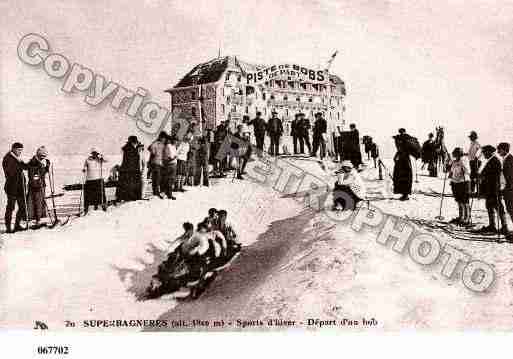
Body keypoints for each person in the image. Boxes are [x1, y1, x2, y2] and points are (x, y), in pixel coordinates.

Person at [476, 145, 508, 234]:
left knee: (498, 208)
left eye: (484, 152)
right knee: (489, 206)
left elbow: (496, 176)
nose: (483, 154)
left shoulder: (495, 161)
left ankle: (504, 227)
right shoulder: (491, 160)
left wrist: (483, 176)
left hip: (494, 189)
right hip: (489, 188)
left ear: (489, 152)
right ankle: (492, 225)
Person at [3, 142, 28, 233]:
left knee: (22, 207)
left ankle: (17, 225)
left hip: (20, 187)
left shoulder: (17, 158)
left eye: (21, 150)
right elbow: (10, 172)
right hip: (12, 188)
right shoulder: (8, 158)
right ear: (13, 149)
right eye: (18, 150)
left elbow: (25, 167)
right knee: (11, 207)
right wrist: (19, 166)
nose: (20, 152)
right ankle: (8, 228)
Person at [26, 146, 50, 228]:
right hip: (35, 186)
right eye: (42, 156)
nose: (43, 158)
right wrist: (36, 182)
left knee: (41, 202)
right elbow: (33, 175)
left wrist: (47, 167)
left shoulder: (41, 162)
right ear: (38, 154)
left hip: (41, 185)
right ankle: (35, 220)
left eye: (44, 156)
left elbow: (42, 173)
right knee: (36, 203)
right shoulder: (33, 162)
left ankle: (40, 219)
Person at [448, 148, 471, 225]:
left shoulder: (464, 160)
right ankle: (461, 216)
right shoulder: (454, 162)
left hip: (463, 183)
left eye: (455, 154)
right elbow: (451, 171)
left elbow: (468, 171)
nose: (454, 155)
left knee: (465, 201)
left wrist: (462, 166)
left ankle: (467, 218)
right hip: (455, 183)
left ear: (459, 154)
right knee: (459, 200)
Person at [118, 136, 143, 202]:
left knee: (128, 184)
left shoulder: (127, 148)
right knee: (131, 184)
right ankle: (132, 197)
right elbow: (133, 160)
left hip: (128, 169)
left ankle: (129, 197)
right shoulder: (130, 149)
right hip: (131, 170)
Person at [83, 148, 107, 214]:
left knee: (100, 194)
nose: (95, 155)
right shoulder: (88, 160)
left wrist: (102, 156)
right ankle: (86, 209)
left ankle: (103, 206)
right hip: (90, 179)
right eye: (94, 153)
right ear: (92, 154)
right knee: (89, 195)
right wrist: (84, 169)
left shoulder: (99, 160)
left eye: (96, 153)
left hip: (99, 179)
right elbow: (85, 166)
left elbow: (107, 160)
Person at [497, 142, 513, 241]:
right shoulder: (506, 159)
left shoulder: (509, 160)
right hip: (508, 189)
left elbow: (511, 177)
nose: (498, 151)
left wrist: (507, 189)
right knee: (510, 209)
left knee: (511, 209)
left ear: (505, 150)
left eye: (499, 149)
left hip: (511, 190)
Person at [393, 135, 413, 201]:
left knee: (405, 179)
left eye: (397, 141)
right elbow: (397, 154)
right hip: (402, 165)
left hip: (405, 166)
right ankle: (404, 194)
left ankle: (405, 195)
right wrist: (396, 158)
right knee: (400, 178)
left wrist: (397, 158)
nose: (396, 143)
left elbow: (401, 155)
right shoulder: (401, 148)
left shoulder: (404, 148)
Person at [148, 131, 167, 198]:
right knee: (156, 178)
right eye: (163, 138)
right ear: (161, 137)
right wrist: (154, 154)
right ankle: (155, 192)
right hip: (155, 162)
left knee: (159, 178)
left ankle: (158, 191)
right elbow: (150, 148)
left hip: (161, 163)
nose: (164, 139)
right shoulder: (156, 143)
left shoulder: (163, 144)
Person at [162, 135, 177, 200]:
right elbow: (168, 157)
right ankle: (167, 193)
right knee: (168, 180)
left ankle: (169, 193)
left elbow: (175, 155)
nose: (176, 142)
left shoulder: (174, 146)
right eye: (175, 140)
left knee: (171, 180)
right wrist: (173, 158)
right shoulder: (168, 146)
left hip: (173, 164)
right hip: (169, 164)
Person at [466, 130, 481, 195]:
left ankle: (477, 191)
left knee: (475, 176)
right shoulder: (471, 143)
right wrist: (465, 154)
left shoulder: (476, 144)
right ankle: (472, 191)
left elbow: (480, 151)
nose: (470, 138)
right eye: (470, 137)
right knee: (472, 176)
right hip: (471, 161)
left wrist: (477, 157)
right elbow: (470, 153)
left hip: (475, 162)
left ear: (474, 137)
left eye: (471, 137)